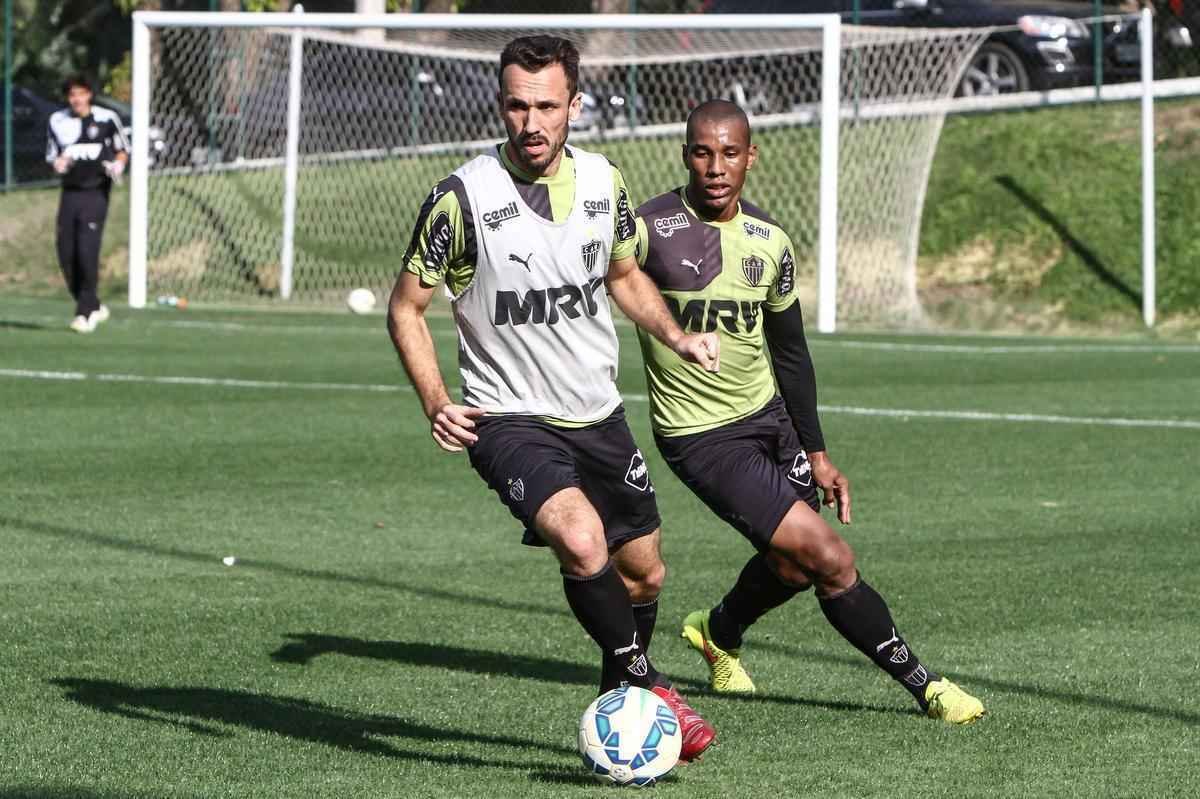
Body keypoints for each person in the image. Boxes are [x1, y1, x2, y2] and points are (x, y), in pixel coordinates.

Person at [386, 36, 721, 760]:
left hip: (597, 412)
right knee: (580, 538)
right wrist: (435, 397)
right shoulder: (461, 198)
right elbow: (405, 307)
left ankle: (620, 720)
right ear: (500, 106)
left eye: (546, 105)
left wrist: (677, 332)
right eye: (516, 105)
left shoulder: (605, 182)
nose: (531, 122)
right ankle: (649, 684)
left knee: (645, 572)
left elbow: (625, 275)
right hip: (507, 416)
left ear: (575, 104)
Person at [632, 100, 985, 725]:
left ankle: (718, 632)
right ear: (685, 154)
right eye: (702, 152)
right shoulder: (646, 229)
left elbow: (791, 352)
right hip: (701, 436)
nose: (716, 167)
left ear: (751, 156)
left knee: (791, 564)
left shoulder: (770, 241)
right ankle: (927, 687)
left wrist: (817, 451)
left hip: (770, 418)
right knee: (829, 557)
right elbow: (598, 282)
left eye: (730, 153)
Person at [46, 74, 128, 334]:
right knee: (66, 252)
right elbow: (52, 155)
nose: (77, 99)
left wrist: (118, 164)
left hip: (95, 193)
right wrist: (58, 163)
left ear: (89, 95)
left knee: (87, 251)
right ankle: (92, 304)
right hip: (69, 193)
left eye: (81, 93)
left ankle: (84, 314)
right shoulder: (57, 121)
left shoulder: (106, 118)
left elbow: (122, 149)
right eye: (72, 95)